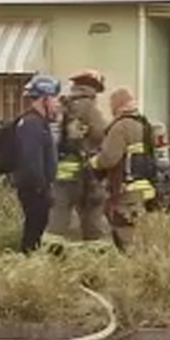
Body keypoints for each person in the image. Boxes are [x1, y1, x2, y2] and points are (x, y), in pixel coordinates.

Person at [89, 87, 156, 251]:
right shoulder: (144, 124)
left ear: (116, 107)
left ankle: (131, 270)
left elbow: (109, 159)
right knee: (140, 234)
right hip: (146, 189)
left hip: (126, 191)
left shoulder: (121, 126)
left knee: (124, 235)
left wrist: (92, 163)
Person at [50, 70, 109, 242]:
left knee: (59, 211)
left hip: (62, 167)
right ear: (92, 88)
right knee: (93, 211)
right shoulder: (88, 107)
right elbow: (99, 133)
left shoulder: (65, 105)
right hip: (84, 169)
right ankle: (93, 251)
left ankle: (50, 251)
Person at [12, 75, 61, 254]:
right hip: (34, 190)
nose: (57, 103)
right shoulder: (32, 124)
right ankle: (26, 269)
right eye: (54, 98)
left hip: (38, 189)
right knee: (32, 234)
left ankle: (29, 265)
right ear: (44, 99)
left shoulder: (39, 123)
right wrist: (41, 189)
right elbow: (31, 160)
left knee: (36, 232)